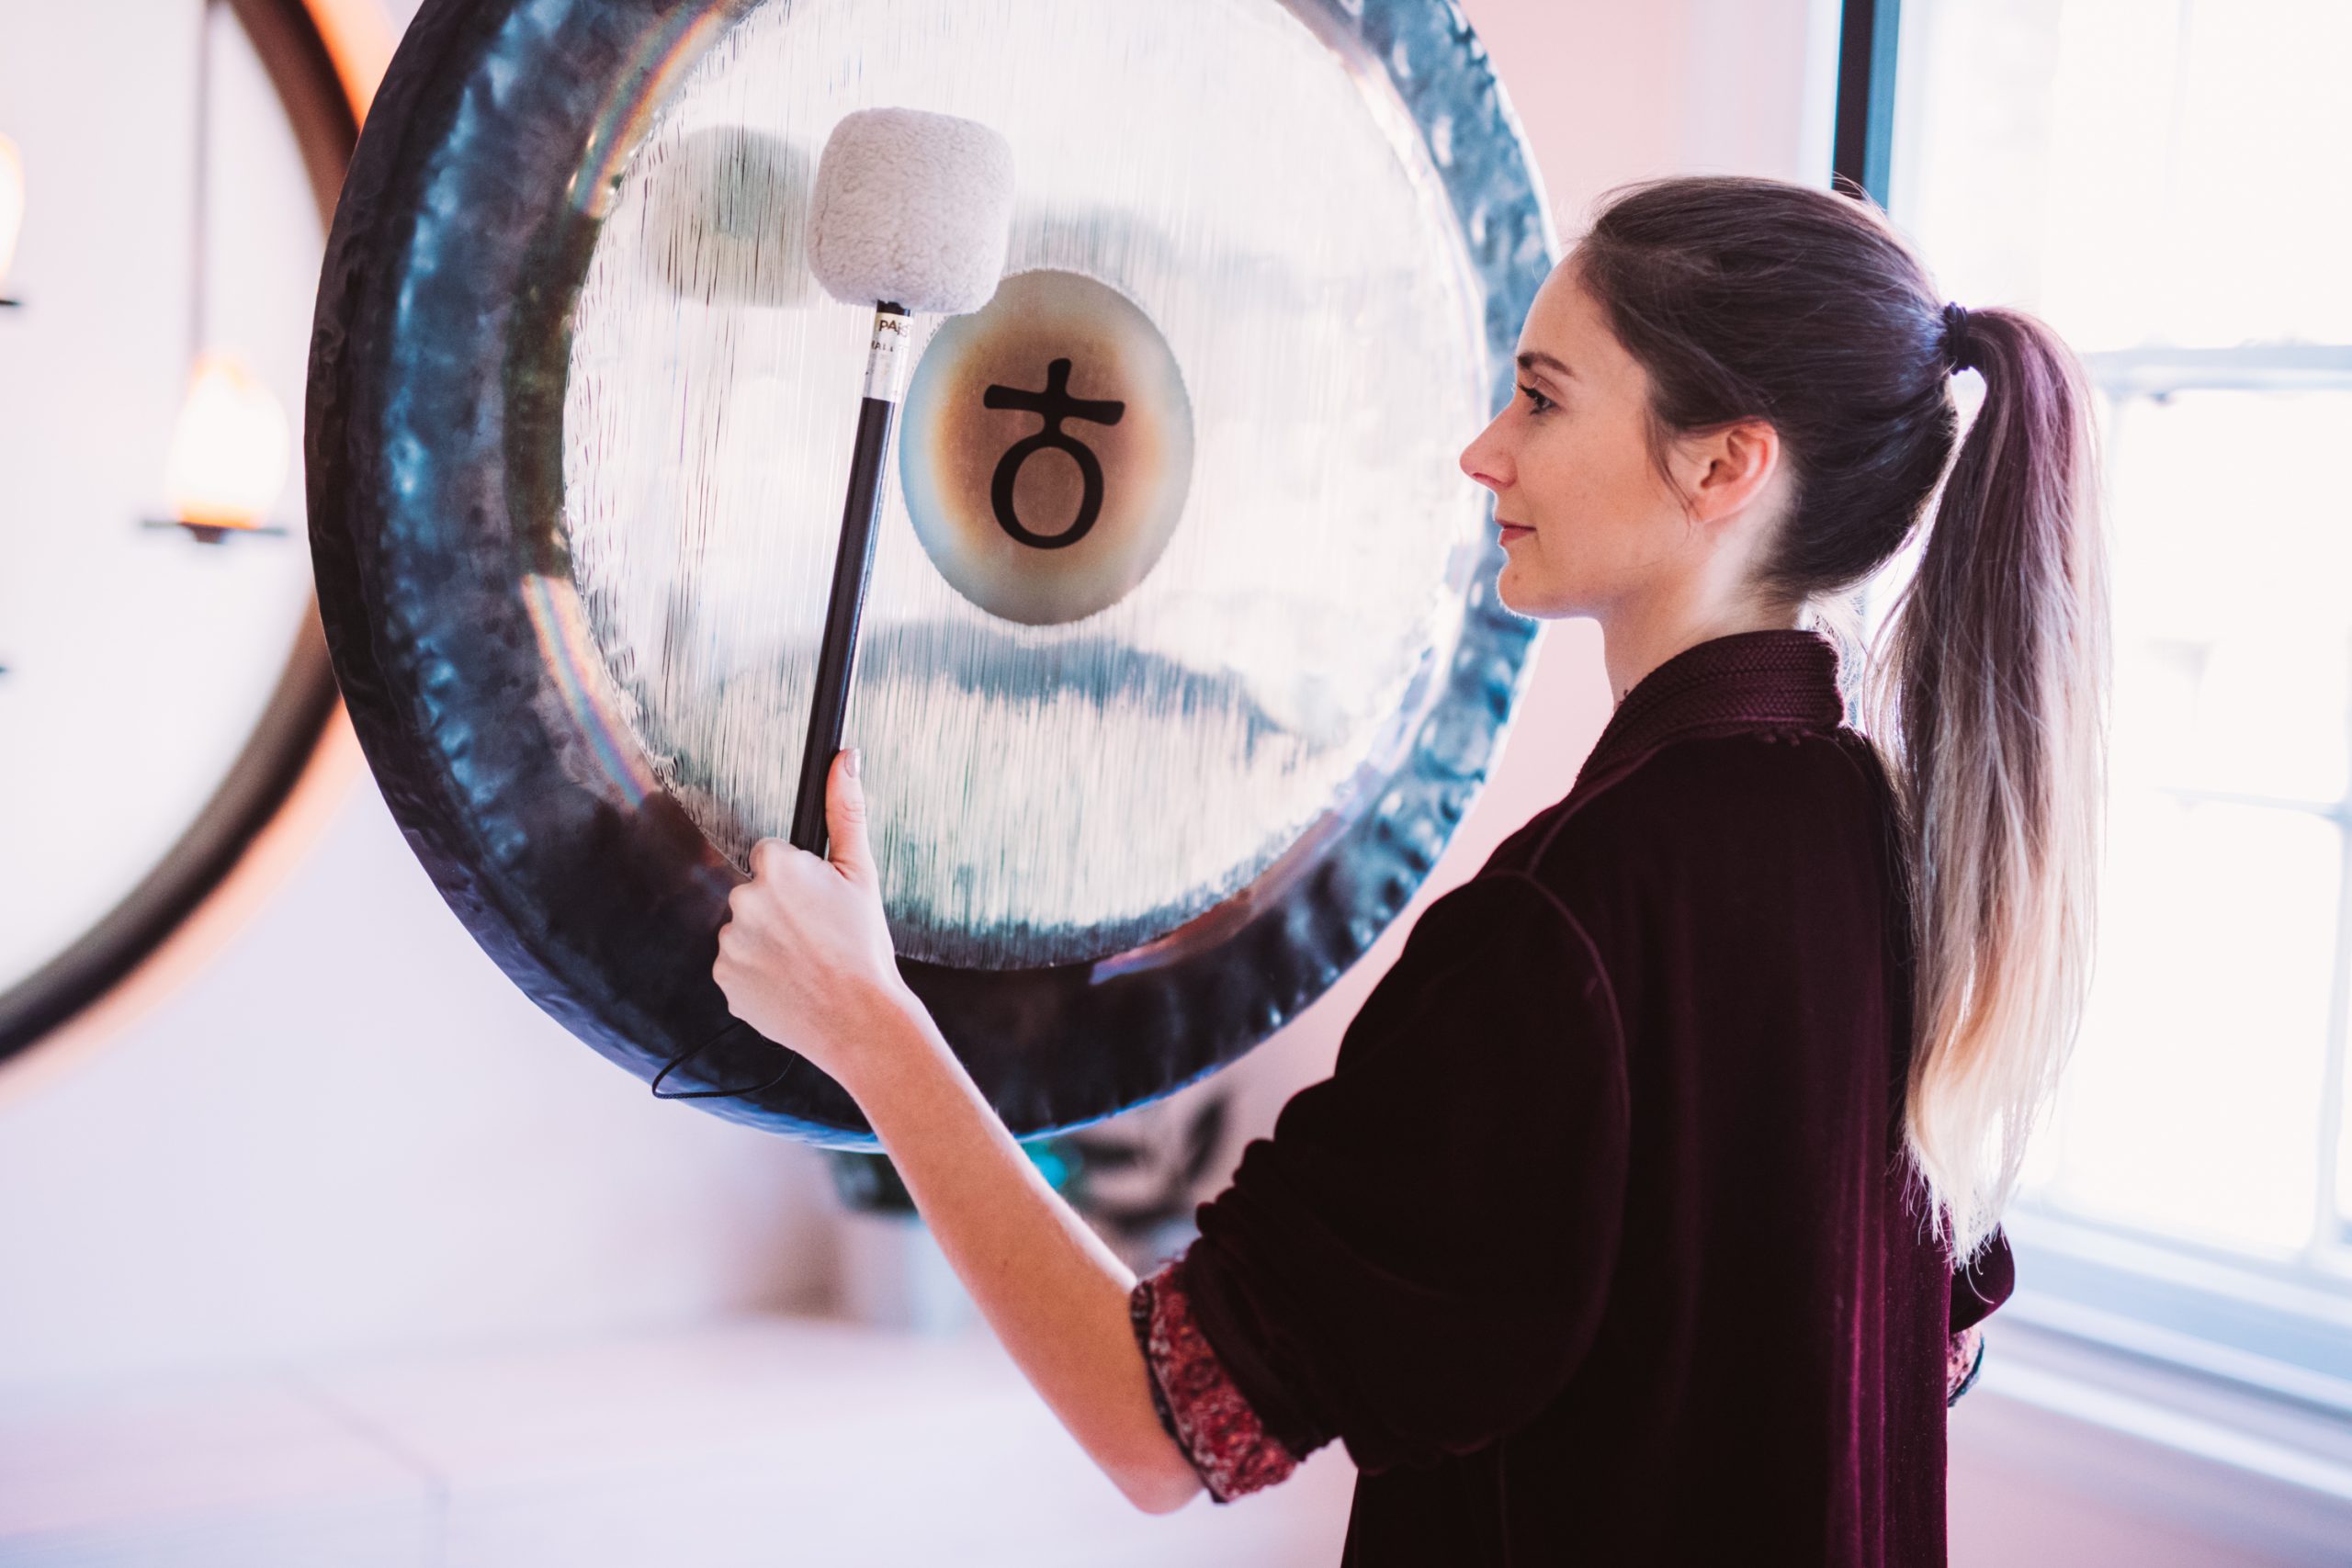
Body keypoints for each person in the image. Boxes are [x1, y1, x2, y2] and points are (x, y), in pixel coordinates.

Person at [709, 174, 2108, 1564]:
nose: (1485, 452)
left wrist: (869, 1027)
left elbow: (1158, 1425)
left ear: (1723, 465)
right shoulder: (1894, 845)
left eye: (1546, 401)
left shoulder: (1564, 930)